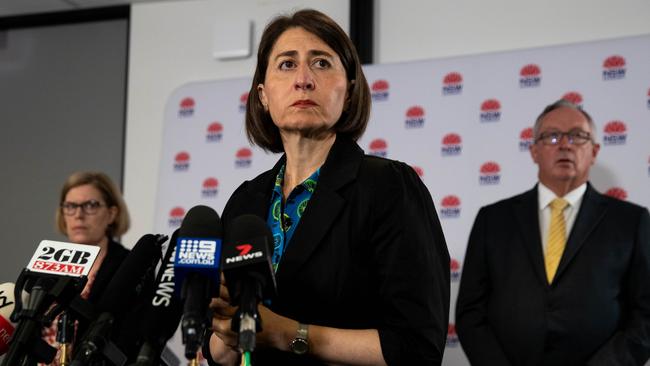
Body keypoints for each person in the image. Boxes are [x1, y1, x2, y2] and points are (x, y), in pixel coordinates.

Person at [205, 9, 450, 366]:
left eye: (321, 63)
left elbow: (417, 347)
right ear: (263, 95)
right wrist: (227, 329)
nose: (303, 79)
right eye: (287, 65)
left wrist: (285, 333)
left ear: (349, 92)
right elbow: (219, 356)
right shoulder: (245, 200)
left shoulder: (388, 186)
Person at [456, 100, 650, 365]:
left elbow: (646, 313)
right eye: (552, 136)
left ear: (594, 151)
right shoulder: (493, 220)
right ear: (534, 151)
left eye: (577, 136)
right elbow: (470, 312)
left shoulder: (631, 221)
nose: (565, 144)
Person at [42, 171, 131, 365]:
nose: (79, 215)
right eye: (71, 206)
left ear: (111, 213)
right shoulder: (50, 263)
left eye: (90, 205)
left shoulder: (128, 267)